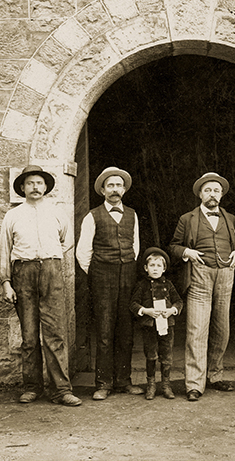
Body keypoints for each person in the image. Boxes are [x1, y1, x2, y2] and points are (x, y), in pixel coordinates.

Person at [0, 165, 80, 407]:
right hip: (23, 273)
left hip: (51, 272)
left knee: (55, 333)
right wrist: (6, 282)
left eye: (39, 183)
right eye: (30, 183)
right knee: (29, 335)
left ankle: (61, 389)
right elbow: (4, 250)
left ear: (46, 187)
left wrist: (48, 261)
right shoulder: (12, 216)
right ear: (22, 188)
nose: (35, 187)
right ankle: (32, 387)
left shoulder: (56, 213)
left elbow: (66, 241)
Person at [170, 172, 235, 401]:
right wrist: (187, 251)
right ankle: (194, 383)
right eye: (208, 190)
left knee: (222, 328)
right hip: (199, 275)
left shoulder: (231, 218)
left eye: (216, 191)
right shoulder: (188, 219)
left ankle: (215, 375)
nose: (212, 195)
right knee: (197, 329)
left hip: (225, 274)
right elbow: (173, 245)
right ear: (200, 194)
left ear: (221, 195)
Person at [76, 167, 143, 401]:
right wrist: (99, 273)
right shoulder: (92, 216)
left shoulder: (132, 215)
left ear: (124, 189)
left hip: (128, 276)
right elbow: (83, 252)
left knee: (126, 331)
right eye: (110, 186)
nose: (115, 190)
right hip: (102, 277)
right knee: (104, 331)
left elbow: (135, 248)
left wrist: (126, 269)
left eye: (118, 185)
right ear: (102, 190)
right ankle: (103, 383)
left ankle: (124, 381)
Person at [131, 247, 182, 400]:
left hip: (167, 326)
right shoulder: (142, 285)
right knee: (151, 355)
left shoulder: (169, 285)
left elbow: (179, 301)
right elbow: (133, 304)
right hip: (149, 327)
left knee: (166, 356)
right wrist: (146, 311)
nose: (155, 269)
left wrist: (172, 310)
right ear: (146, 268)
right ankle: (151, 385)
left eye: (159, 266)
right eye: (152, 266)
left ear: (164, 268)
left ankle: (166, 385)